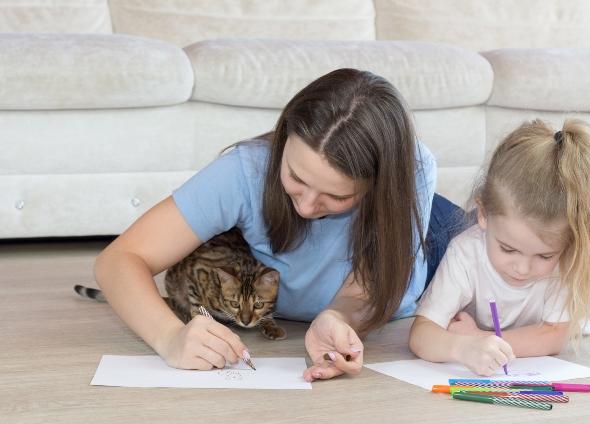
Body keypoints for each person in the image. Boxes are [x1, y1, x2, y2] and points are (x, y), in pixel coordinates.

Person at [94, 68, 461, 382]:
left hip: (433, 241)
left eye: (335, 197)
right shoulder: (246, 169)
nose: (305, 206)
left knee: (501, 249)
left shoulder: (412, 169)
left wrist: (336, 317)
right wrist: (170, 337)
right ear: (284, 139)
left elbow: (368, 288)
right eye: (296, 178)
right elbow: (119, 259)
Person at [409, 118, 590, 376]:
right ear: (483, 214)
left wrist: (484, 337)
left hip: (570, 319)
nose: (523, 268)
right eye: (508, 249)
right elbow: (421, 334)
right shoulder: (465, 252)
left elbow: (554, 337)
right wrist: (463, 347)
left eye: (544, 255)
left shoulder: (566, 261)